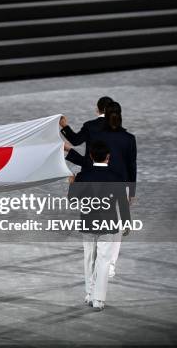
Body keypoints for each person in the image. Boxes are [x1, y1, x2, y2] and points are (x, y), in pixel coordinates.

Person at [65, 101, 137, 277]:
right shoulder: (129, 139)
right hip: (121, 185)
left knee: (93, 224)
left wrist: (70, 153)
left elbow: (88, 162)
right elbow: (132, 166)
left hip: (94, 183)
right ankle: (110, 264)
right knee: (117, 226)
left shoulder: (97, 135)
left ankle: (96, 267)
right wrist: (132, 192)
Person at [68, 141, 130, 311]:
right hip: (108, 224)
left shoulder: (82, 176)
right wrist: (126, 223)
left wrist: (71, 184)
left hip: (88, 223)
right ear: (108, 158)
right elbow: (123, 204)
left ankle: (89, 294)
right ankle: (98, 299)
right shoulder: (116, 177)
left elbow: (72, 201)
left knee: (89, 259)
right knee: (103, 261)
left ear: (91, 156)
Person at [60, 96, 113, 169]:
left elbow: (75, 141)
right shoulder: (119, 129)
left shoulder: (90, 126)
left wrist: (64, 126)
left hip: (91, 172)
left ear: (97, 109)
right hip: (114, 174)